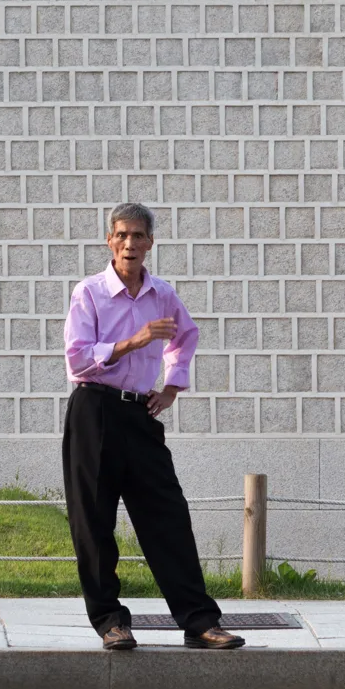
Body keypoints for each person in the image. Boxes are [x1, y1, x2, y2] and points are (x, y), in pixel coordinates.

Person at [62, 202, 244, 651]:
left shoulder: (162, 293)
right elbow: (77, 359)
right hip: (94, 411)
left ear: (150, 243)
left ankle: (200, 622)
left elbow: (187, 335)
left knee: (168, 518)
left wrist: (172, 386)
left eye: (139, 235)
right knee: (94, 522)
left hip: (141, 414)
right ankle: (111, 622)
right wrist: (134, 341)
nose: (130, 243)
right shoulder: (89, 293)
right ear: (110, 241)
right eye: (122, 235)